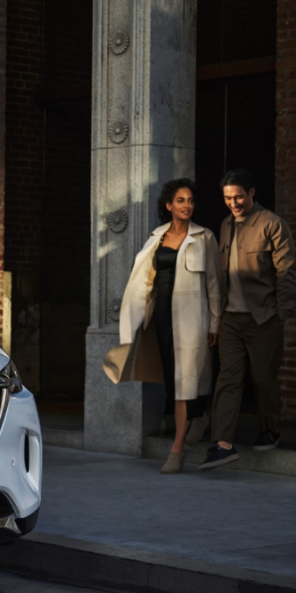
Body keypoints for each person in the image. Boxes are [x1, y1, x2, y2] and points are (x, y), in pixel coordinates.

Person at [109, 178, 220, 474]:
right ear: (169, 205)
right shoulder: (156, 237)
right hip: (161, 315)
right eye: (181, 201)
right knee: (174, 376)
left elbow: (214, 284)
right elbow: (144, 278)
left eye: (191, 201)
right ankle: (200, 415)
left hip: (193, 317)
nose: (187, 206)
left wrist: (215, 321)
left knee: (187, 377)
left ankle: (178, 448)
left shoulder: (205, 237)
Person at [199, 168, 296, 470]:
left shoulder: (272, 225)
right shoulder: (226, 225)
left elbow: (286, 272)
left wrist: (280, 314)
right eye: (228, 198)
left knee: (263, 378)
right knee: (227, 378)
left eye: (239, 196)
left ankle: (270, 428)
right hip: (231, 318)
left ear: (252, 193)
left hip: (263, 317)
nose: (234, 203)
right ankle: (222, 444)